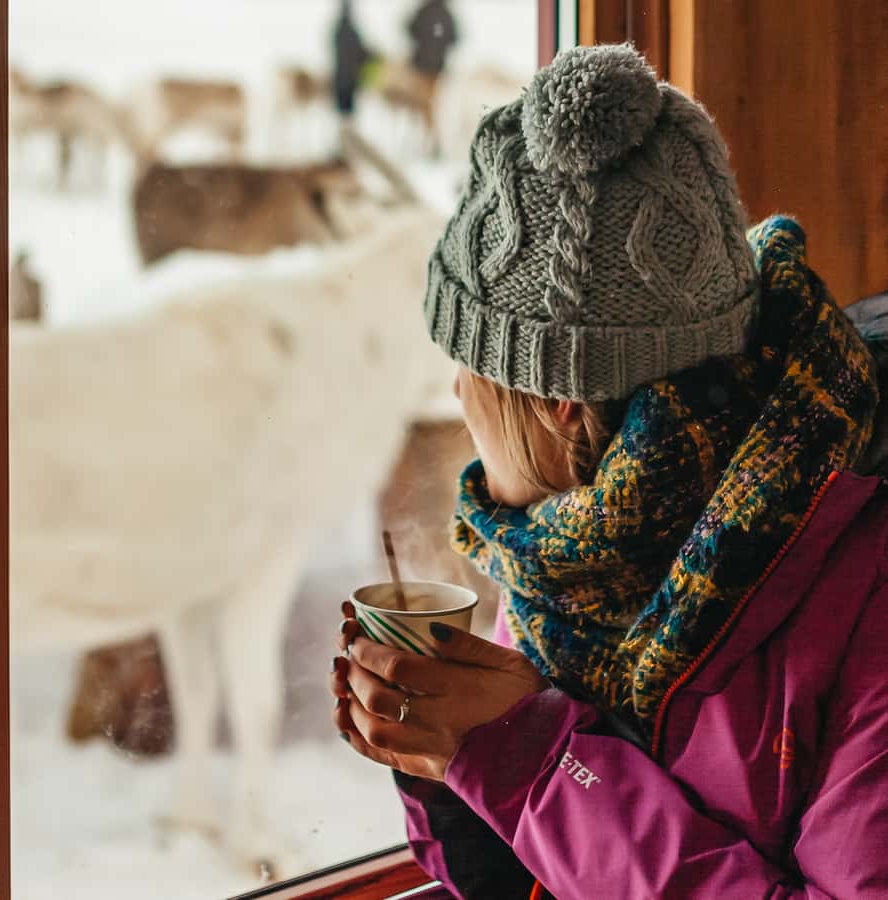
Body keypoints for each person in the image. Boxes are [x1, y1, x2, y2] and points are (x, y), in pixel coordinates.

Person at [328, 44, 888, 898]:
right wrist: (446, 756)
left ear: (555, 404)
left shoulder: (867, 605)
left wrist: (528, 760)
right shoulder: (582, 554)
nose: (455, 393)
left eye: (471, 372)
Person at [332, 0, 370, 117]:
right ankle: (346, 131)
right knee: (346, 108)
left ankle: (345, 130)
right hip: (349, 76)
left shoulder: (338, 28)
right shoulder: (350, 29)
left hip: (342, 75)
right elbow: (361, 51)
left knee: (345, 109)